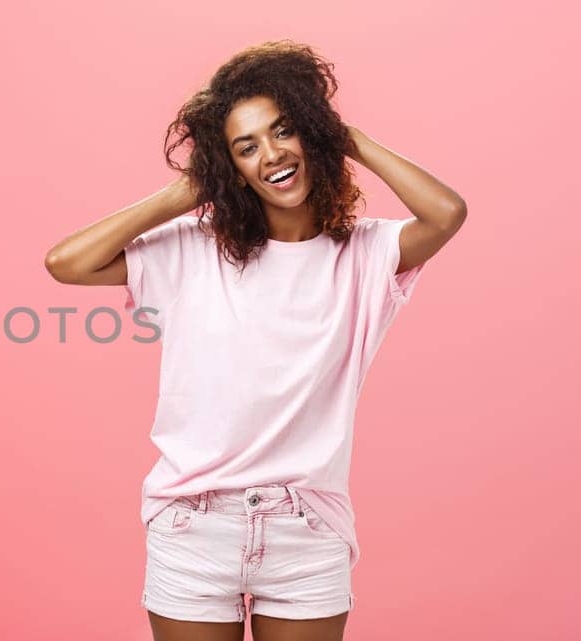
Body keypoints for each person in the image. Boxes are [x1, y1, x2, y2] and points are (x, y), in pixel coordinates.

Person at [43, 40, 466, 641]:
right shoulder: (194, 248)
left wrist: (347, 138)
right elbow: (66, 263)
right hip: (193, 526)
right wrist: (187, 192)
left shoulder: (368, 254)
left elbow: (446, 213)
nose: (271, 154)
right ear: (231, 167)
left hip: (306, 530)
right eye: (246, 147)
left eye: (284, 130)